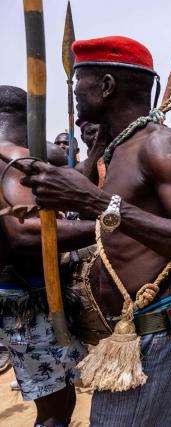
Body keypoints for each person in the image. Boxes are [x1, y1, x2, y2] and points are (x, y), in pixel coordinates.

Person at [18, 36, 171, 427]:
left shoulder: (159, 146)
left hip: (160, 332)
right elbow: (121, 222)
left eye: (80, 84)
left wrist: (95, 203)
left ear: (107, 86)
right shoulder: (119, 148)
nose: (75, 93)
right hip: (142, 331)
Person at [0, 85, 89, 427]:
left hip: (14, 294)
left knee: (62, 398)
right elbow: (23, 233)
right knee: (54, 409)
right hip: (27, 299)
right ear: (32, 118)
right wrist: (108, 224)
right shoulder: (15, 159)